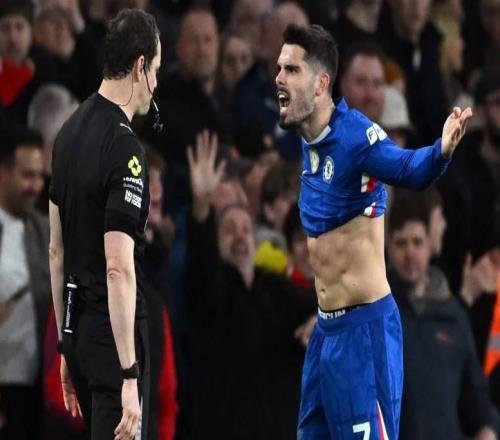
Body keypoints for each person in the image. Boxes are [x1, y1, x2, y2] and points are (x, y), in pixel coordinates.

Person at [275, 23, 472, 438]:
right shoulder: (309, 141)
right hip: (326, 332)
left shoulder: (356, 137)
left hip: (363, 335)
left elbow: (408, 168)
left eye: (292, 70)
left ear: (321, 84)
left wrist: (441, 150)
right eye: (280, 68)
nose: (279, 78)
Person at [48, 8, 162, 440]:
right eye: (155, 70)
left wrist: (65, 344)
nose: (156, 84)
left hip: (77, 330)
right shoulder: (124, 146)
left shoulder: (67, 132)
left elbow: (56, 251)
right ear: (139, 66)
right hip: (114, 338)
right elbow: (117, 267)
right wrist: (129, 373)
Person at [387, 193, 499, 440]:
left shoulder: (453, 316)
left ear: (430, 245)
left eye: (417, 242)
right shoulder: (374, 314)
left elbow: (477, 400)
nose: (409, 253)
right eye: (400, 243)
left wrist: (488, 429)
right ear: (388, 248)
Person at [0, 126, 50, 440]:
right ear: (3, 173)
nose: (36, 186)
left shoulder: (47, 231)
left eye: (40, 176)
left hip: (38, 390)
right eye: (27, 176)